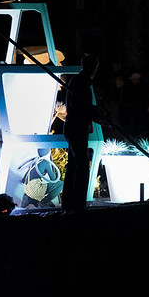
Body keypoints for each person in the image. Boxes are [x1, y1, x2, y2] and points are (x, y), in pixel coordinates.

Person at [62, 54, 99, 211]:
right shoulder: (82, 83)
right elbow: (81, 107)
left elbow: (77, 106)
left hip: (73, 127)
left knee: (74, 165)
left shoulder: (77, 81)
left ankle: (69, 203)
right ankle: (77, 204)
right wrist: (95, 113)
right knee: (81, 166)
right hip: (77, 128)